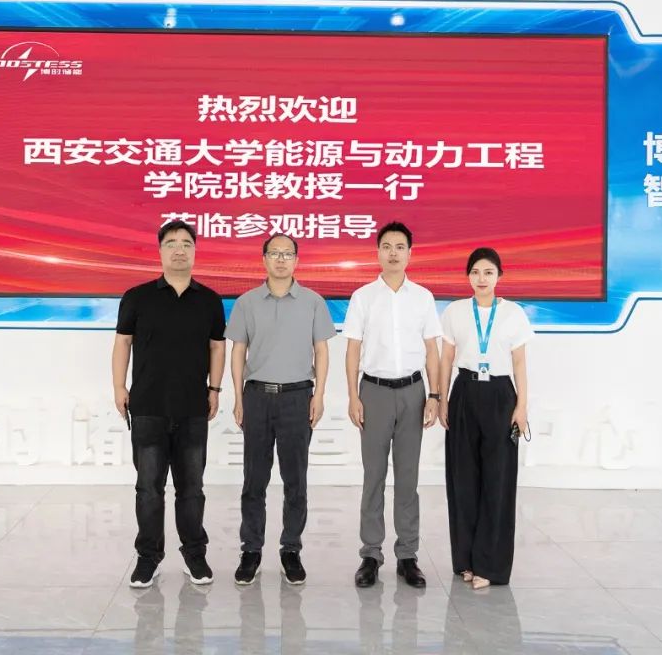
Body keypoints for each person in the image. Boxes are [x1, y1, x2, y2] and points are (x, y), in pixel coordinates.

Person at [112, 219, 227, 588]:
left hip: (193, 408)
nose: (179, 249)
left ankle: (195, 555)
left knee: (192, 488)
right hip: (148, 406)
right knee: (148, 488)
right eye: (172, 243)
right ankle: (148, 557)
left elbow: (217, 347)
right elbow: (122, 342)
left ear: (195, 251)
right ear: (160, 250)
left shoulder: (209, 300)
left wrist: (215, 389)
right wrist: (119, 386)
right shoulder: (137, 297)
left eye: (186, 243)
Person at [227, 234, 336, 586]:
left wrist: (319, 396)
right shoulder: (246, 302)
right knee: (254, 479)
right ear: (263, 259)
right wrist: (238, 397)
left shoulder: (313, 302)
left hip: (297, 397)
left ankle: (291, 549)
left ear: (296, 260)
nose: (280, 259)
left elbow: (322, 350)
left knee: (295, 480)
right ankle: (251, 550)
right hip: (257, 396)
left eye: (287, 254)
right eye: (274, 253)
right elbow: (238, 351)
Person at [342, 221, 443, 589]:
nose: (393, 253)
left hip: (413, 392)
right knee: (374, 476)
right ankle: (371, 554)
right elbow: (353, 349)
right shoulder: (363, 297)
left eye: (400, 247)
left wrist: (434, 395)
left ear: (410, 253)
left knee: (408, 477)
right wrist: (353, 396)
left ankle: (407, 555)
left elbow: (431, 349)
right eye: (387, 246)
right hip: (374, 392)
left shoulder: (423, 297)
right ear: (378, 252)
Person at [438, 247, 533, 589]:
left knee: (498, 481)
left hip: (500, 396)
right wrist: (442, 399)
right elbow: (446, 359)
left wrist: (521, 407)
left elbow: (519, 362)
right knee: (463, 480)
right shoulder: (455, 312)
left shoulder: (514, 314)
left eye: (488, 272)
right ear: (468, 276)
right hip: (464, 392)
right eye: (476, 272)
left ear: (499, 276)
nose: (482, 278)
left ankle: (489, 566)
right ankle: (465, 560)